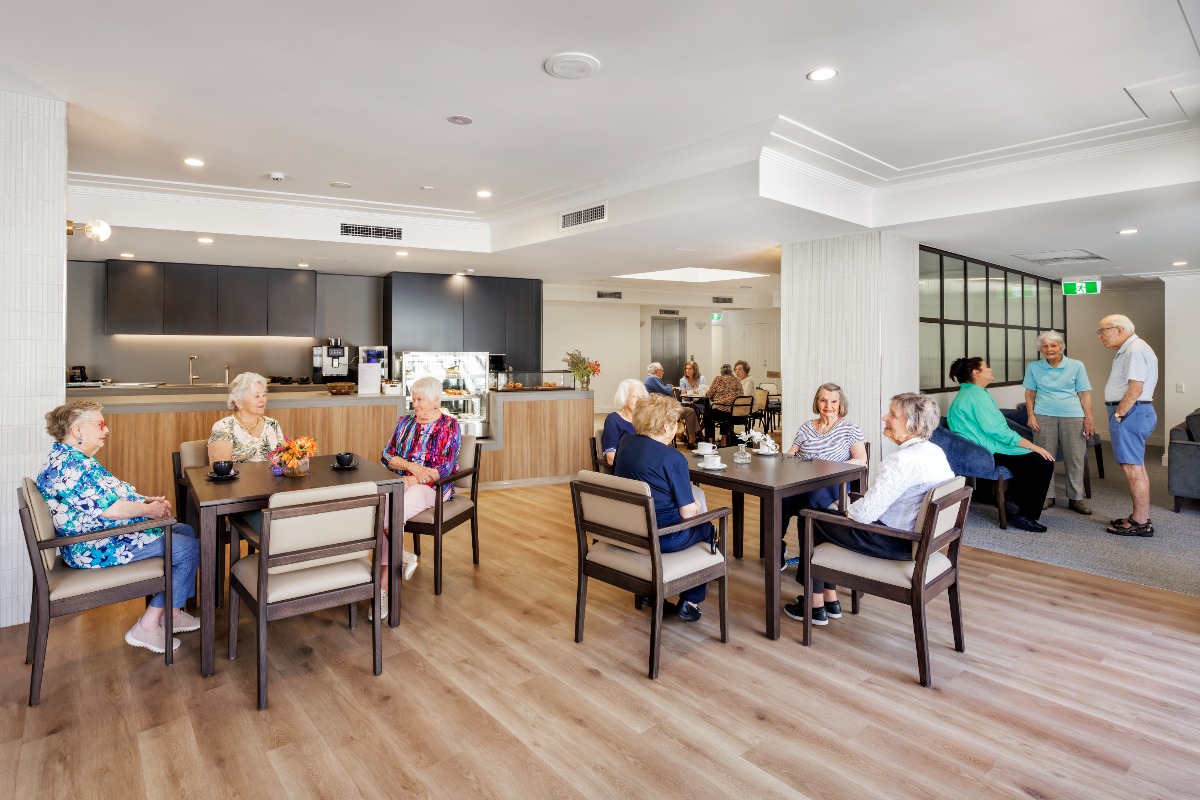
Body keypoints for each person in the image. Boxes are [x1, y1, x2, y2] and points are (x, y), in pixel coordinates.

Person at [36, 401, 200, 654]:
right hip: (94, 545)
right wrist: (149, 510)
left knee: (185, 531)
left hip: (101, 535)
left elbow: (113, 495)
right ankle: (147, 625)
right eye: (100, 424)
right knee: (187, 549)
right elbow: (111, 510)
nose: (106, 429)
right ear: (77, 430)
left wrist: (146, 500)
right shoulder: (70, 468)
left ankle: (173, 613)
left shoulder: (75, 459)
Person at [783, 393, 953, 626]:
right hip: (919, 540)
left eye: (893, 414)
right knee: (823, 518)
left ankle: (814, 605)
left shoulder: (901, 461)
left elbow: (863, 514)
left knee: (809, 519)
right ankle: (829, 599)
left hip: (893, 541)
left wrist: (846, 513)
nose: (885, 418)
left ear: (913, 425)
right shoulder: (935, 452)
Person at [613, 393, 716, 622]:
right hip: (664, 536)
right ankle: (690, 601)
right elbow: (687, 512)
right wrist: (697, 504)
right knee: (708, 529)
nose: (677, 427)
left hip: (630, 530)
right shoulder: (673, 458)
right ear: (666, 426)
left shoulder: (626, 443)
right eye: (677, 423)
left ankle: (650, 593)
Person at [947, 357, 1055, 532]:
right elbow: (997, 431)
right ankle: (1023, 514)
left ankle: (1011, 501)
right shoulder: (976, 396)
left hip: (982, 447)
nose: (990, 369)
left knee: (1034, 460)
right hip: (984, 452)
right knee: (1042, 462)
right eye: (986, 367)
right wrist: (1032, 446)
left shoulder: (970, 393)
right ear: (976, 373)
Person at [379, 376, 463, 597]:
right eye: (413, 399)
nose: (414, 404)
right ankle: (402, 557)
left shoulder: (450, 426)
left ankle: (383, 589)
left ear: (436, 400)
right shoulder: (404, 422)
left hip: (434, 488)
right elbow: (386, 455)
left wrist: (413, 479)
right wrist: (412, 468)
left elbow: (445, 467)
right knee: (382, 506)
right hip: (402, 482)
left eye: (419, 400)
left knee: (391, 510)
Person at [780, 384, 868, 568]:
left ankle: (808, 562)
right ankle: (776, 549)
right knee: (779, 498)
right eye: (823, 400)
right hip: (803, 480)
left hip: (834, 483)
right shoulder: (806, 427)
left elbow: (861, 460)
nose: (828, 405)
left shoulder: (850, 428)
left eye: (833, 401)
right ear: (817, 403)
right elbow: (790, 455)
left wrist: (827, 468)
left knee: (811, 500)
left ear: (840, 404)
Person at [1097, 314, 1159, 536]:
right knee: (1136, 467)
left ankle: (1140, 523)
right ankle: (1139, 517)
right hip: (1134, 412)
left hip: (1130, 413)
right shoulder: (1130, 348)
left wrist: (1119, 413)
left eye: (1102, 331)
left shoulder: (1134, 349)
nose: (1100, 336)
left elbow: (1136, 388)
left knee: (1133, 468)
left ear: (1119, 329)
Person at [1022, 331, 1095, 515]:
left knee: (1075, 457)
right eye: (1045, 346)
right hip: (1043, 415)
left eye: (1053, 345)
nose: (1049, 349)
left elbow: (1084, 394)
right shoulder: (1034, 367)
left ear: (1061, 347)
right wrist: (1031, 415)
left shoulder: (1076, 365)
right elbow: (1030, 393)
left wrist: (1089, 418)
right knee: (1044, 457)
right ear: (1040, 349)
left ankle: (1076, 498)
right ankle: (1047, 495)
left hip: (1073, 415)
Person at [208, 372, 286, 463]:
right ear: (238, 402)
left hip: (273, 473)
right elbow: (220, 468)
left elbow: (285, 459)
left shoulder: (272, 424)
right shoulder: (224, 427)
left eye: (263, 395)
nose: (263, 400)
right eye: (257, 396)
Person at [643, 362, 701, 448]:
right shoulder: (653, 379)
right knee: (690, 411)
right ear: (656, 371)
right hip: (663, 410)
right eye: (662, 370)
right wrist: (670, 386)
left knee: (693, 408)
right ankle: (692, 441)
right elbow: (665, 391)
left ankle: (694, 435)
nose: (663, 372)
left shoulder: (649, 378)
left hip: (660, 407)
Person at [602, 379, 647, 466]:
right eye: (634, 396)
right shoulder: (613, 420)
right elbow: (611, 458)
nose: (639, 400)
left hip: (648, 466)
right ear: (624, 398)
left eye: (642, 396)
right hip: (629, 470)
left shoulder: (646, 419)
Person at [703, 364, 743, 445]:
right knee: (725, 412)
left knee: (707, 416)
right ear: (731, 371)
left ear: (721, 372)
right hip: (736, 413)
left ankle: (710, 442)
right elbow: (741, 394)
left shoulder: (718, 379)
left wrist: (708, 394)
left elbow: (709, 394)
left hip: (722, 412)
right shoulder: (737, 380)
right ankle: (723, 441)